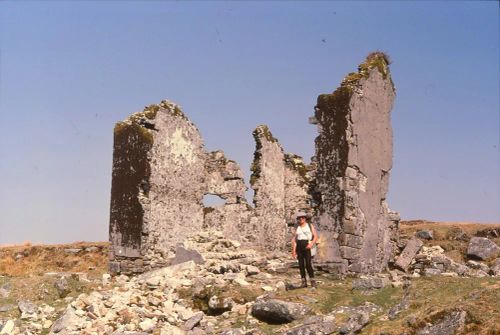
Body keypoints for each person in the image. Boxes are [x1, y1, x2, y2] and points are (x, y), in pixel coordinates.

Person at [291, 211, 318, 288]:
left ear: (305, 218)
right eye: (299, 218)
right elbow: (295, 240)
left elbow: (315, 236)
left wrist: (311, 244)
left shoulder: (310, 225)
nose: (301, 219)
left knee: (308, 264)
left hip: (307, 245)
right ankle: (304, 282)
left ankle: (313, 282)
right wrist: (293, 251)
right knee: (301, 265)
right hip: (299, 246)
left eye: (302, 217)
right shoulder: (297, 227)